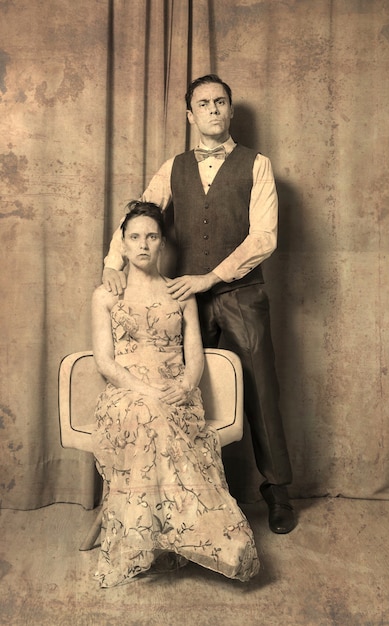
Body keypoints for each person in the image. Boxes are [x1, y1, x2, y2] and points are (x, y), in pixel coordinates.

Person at [103, 74, 296, 535]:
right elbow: (141, 217)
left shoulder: (258, 165)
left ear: (230, 111)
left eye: (220, 102)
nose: (212, 109)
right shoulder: (173, 167)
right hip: (183, 299)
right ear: (190, 115)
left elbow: (264, 237)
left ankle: (277, 488)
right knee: (188, 389)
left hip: (240, 293)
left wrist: (210, 277)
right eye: (203, 103)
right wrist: (113, 261)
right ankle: (198, 491)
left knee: (258, 387)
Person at [91, 200, 259, 588]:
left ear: (162, 243)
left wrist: (182, 387)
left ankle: (200, 535)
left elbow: (195, 359)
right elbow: (105, 363)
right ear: (123, 244)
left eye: (151, 236)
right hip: (125, 395)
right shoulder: (105, 295)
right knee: (149, 413)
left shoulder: (181, 293)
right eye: (135, 237)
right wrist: (147, 391)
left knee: (162, 415)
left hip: (175, 392)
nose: (143, 245)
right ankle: (165, 539)